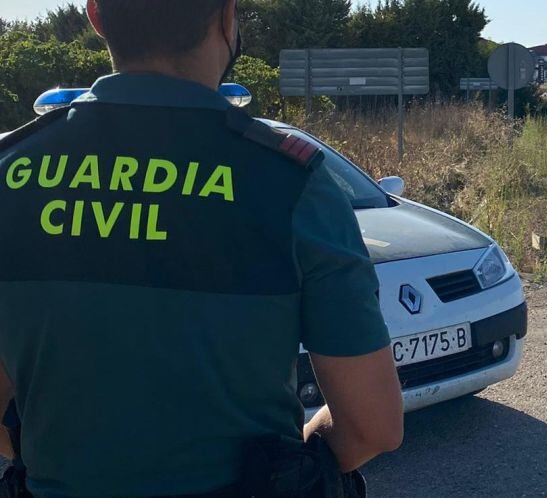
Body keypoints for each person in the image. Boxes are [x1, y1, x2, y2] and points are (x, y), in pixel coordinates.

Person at [0, 0, 403, 496]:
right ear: (228, 19)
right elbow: (374, 425)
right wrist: (294, 460)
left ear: (96, 16)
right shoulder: (292, 182)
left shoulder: (11, 173)